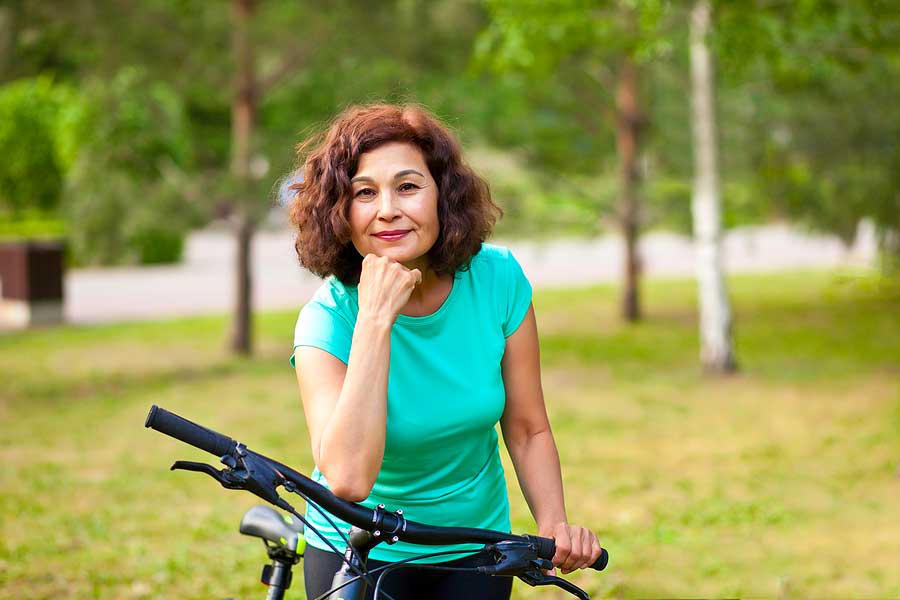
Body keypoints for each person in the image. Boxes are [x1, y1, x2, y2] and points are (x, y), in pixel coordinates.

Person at [288, 103, 602, 599]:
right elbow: (347, 479)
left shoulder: (497, 280)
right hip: (357, 550)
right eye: (364, 193)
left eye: (408, 186)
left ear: (443, 196)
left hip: (472, 546)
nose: (387, 208)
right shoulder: (327, 319)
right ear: (341, 213)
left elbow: (527, 427)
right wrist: (374, 320)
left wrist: (554, 523)